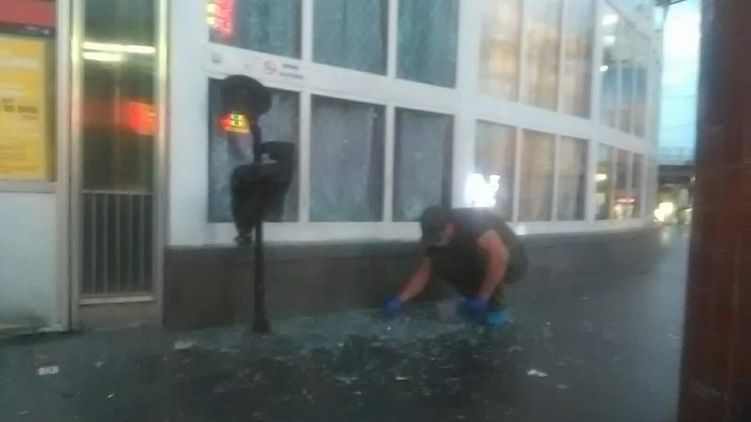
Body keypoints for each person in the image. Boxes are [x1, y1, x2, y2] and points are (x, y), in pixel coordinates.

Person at [383, 206, 528, 326]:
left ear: (449, 226)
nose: (435, 241)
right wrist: (400, 299)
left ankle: (496, 309)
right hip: (479, 257)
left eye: (438, 237)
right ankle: (474, 301)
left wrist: (484, 297)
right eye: (432, 238)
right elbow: (424, 272)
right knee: (438, 259)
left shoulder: (474, 223)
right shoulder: (435, 234)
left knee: (484, 254)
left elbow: (500, 256)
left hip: (512, 262)